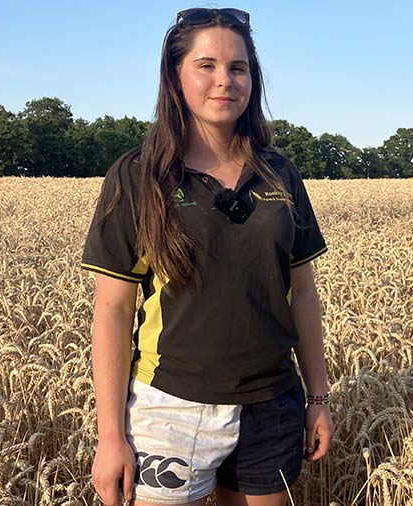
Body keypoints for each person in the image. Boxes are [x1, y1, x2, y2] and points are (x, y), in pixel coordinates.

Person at [80, 8, 333, 506]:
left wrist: (318, 398)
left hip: (271, 405)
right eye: (207, 65)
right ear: (175, 76)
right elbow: (112, 310)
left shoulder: (281, 174)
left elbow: (302, 292)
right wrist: (110, 435)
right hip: (170, 408)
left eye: (238, 68)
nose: (225, 81)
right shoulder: (139, 176)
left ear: (253, 79)